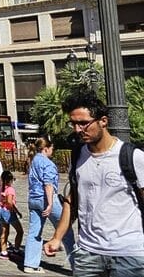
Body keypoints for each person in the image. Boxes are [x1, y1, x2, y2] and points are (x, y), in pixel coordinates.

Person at [44, 89, 144, 276]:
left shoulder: (133, 157)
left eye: (83, 123)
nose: (77, 130)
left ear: (103, 121)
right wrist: (57, 238)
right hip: (87, 253)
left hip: (130, 254)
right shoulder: (78, 156)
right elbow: (72, 200)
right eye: (73, 124)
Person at [24, 136, 75, 274]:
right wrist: (50, 204)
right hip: (46, 199)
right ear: (46, 149)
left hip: (33, 199)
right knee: (66, 230)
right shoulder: (48, 163)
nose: (53, 151)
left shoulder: (33, 161)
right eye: (52, 148)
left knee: (35, 231)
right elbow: (48, 184)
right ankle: (77, 266)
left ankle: (30, 264)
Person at [0, 170, 24, 260]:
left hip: (0, 210)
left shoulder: (2, 188)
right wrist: (17, 211)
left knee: (5, 231)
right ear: (10, 180)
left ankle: (3, 252)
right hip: (8, 212)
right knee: (20, 231)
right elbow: (9, 202)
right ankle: (16, 250)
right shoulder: (10, 189)